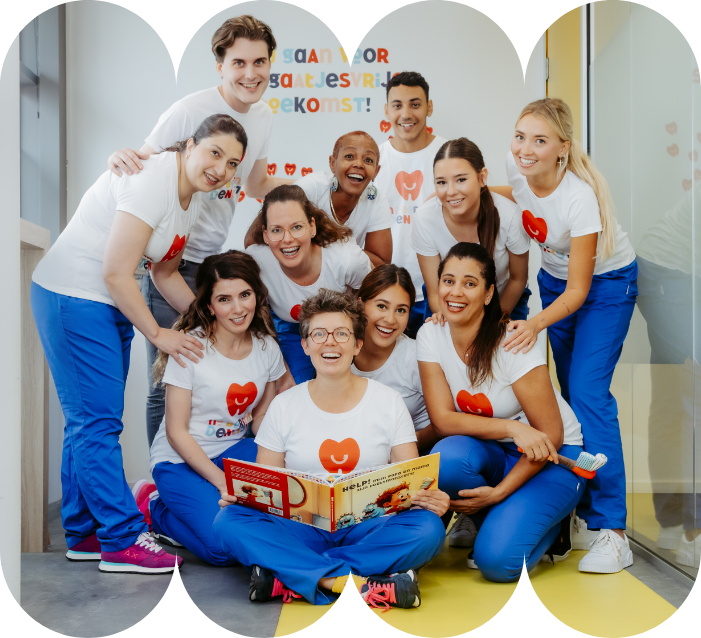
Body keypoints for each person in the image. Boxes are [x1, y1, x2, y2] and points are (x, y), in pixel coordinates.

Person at [31, 114, 247, 574]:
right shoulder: (153, 180)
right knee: (97, 421)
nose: (221, 169)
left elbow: (163, 273)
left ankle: (84, 531)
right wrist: (159, 333)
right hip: (75, 296)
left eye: (233, 164)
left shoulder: (189, 200)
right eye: (215, 153)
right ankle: (122, 538)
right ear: (189, 145)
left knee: (88, 421)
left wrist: (214, 321)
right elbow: (115, 271)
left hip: (108, 302)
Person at [106, 15, 294, 447]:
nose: (251, 73)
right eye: (239, 62)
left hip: (210, 263)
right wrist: (118, 157)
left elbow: (255, 185)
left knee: (209, 376)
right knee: (170, 380)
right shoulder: (190, 111)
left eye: (260, 62)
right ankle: (162, 477)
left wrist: (316, 189)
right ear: (220, 65)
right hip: (166, 265)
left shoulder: (263, 115)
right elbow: (144, 165)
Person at [211, 289, 449, 607]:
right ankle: (347, 582)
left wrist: (429, 498)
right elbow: (268, 489)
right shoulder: (283, 406)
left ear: (357, 344)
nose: (330, 342)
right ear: (305, 345)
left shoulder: (389, 402)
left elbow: (409, 483)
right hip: (301, 530)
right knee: (228, 520)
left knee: (428, 528)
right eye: (319, 334)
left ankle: (294, 576)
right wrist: (245, 498)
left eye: (341, 333)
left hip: (368, 528)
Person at [500, 98, 638, 573]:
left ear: (562, 148)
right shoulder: (518, 168)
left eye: (539, 141)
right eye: (520, 136)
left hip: (605, 287)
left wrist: (535, 323)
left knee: (587, 394)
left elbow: (581, 290)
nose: (525, 148)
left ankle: (613, 530)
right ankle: (583, 513)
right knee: (567, 399)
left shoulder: (579, 198)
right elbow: (519, 194)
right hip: (556, 284)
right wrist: (469, 189)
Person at [418, 242, 585, 581]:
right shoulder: (431, 334)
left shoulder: (513, 343)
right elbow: (443, 420)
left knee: (495, 564)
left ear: (488, 293)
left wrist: (499, 492)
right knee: (446, 458)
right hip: (496, 449)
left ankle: (558, 527)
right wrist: (511, 428)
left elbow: (550, 436)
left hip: (553, 457)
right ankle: (500, 520)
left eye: (469, 283)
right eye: (448, 281)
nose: (455, 292)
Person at [129, 251, 291, 566]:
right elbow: (176, 433)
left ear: (257, 296)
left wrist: (282, 455)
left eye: (245, 295)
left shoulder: (266, 347)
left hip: (232, 450)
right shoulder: (190, 347)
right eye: (224, 299)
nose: (238, 308)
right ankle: (156, 508)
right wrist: (222, 482)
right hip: (179, 459)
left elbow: (259, 418)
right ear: (209, 306)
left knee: (284, 510)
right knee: (221, 549)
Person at [246, 185, 372, 384]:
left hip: (344, 331)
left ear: (312, 226)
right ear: (265, 234)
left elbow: (374, 296)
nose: (287, 239)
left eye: (297, 227)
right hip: (292, 330)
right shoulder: (257, 262)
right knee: (292, 390)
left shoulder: (347, 260)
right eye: (276, 230)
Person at [412, 138, 530, 322]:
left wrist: (490, 325)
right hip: (448, 301)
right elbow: (434, 293)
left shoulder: (510, 215)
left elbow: (518, 279)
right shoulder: (425, 217)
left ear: (482, 177)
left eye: (461, 180)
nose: (451, 191)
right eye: (441, 182)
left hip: (503, 299)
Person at [374, 72, 447, 338]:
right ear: (386, 110)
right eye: (397, 105)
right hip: (388, 292)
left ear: (429, 107)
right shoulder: (373, 160)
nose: (406, 114)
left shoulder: (450, 155)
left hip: (440, 290)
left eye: (415, 104)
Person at [353, 265, 439, 452]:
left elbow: (441, 424)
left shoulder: (416, 357)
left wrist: (394, 449)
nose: (390, 319)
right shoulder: (342, 350)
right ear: (360, 304)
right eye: (381, 306)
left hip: (417, 450)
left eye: (401, 310)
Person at [293, 131, 392, 266]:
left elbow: (381, 265)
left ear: (376, 171)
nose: (359, 164)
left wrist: (330, 247)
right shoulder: (309, 189)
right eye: (349, 156)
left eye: (368, 160)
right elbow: (275, 239)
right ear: (332, 163)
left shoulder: (377, 200)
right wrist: (348, 252)